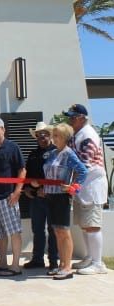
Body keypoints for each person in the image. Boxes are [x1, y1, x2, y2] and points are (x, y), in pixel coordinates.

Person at [64, 104, 109, 275]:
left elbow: (84, 163)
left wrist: (72, 181)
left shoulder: (88, 135)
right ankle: (90, 257)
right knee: (85, 224)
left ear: (83, 118)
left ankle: (98, 263)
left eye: (73, 117)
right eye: (70, 117)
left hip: (92, 185)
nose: (70, 120)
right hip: (82, 187)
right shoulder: (77, 135)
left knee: (92, 225)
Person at [43, 123, 87, 280]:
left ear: (65, 138)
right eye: (54, 135)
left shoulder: (69, 154)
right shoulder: (53, 153)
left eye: (57, 136)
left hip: (61, 196)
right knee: (56, 231)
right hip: (50, 195)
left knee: (64, 231)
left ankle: (67, 267)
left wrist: (74, 188)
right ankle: (62, 264)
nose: (54, 138)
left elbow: (82, 170)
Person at [0, 117, 26, 277]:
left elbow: (22, 170)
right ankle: (3, 261)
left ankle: (15, 265)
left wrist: (17, 192)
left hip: (8, 197)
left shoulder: (13, 147)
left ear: (3, 129)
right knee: (0, 233)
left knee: (14, 231)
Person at [23, 122, 58, 272]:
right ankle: (37, 259)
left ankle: (54, 261)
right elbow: (29, 175)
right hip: (36, 198)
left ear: (49, 135)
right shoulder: (33, 154)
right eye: (39, 135)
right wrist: (27, 189)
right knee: (37, 229)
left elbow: (58, 174)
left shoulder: (57, 152)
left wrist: (46, 189)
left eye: (44, 134)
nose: (42, 137)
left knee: (53, 229)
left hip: (52, 197)